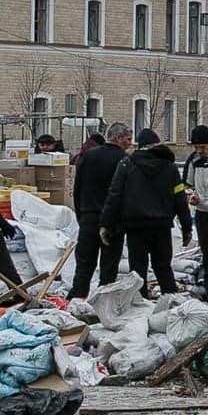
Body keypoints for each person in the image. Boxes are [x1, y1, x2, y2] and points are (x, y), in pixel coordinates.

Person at [103, 127, 188, 295]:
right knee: (163, 267)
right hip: (162, 225)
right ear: (157, 144)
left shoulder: (126, 164)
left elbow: (114, 195)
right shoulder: (169, 167)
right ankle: (171, 303)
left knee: (138, 269)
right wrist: (186, 227)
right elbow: (180, 199)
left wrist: (106, 224)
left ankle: (140, 306)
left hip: (136, 226)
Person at [68, 123, 134, 299]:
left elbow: (78, 187)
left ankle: (78, 298)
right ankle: (104, 300)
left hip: (88, 215)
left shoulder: (88, 155)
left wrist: (81, 213)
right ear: (118, 137)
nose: (130, 143)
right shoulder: (124, 160)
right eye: (128, 139)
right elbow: (125, 193)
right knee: (109, 265)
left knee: (84, 262)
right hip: (112, 221)